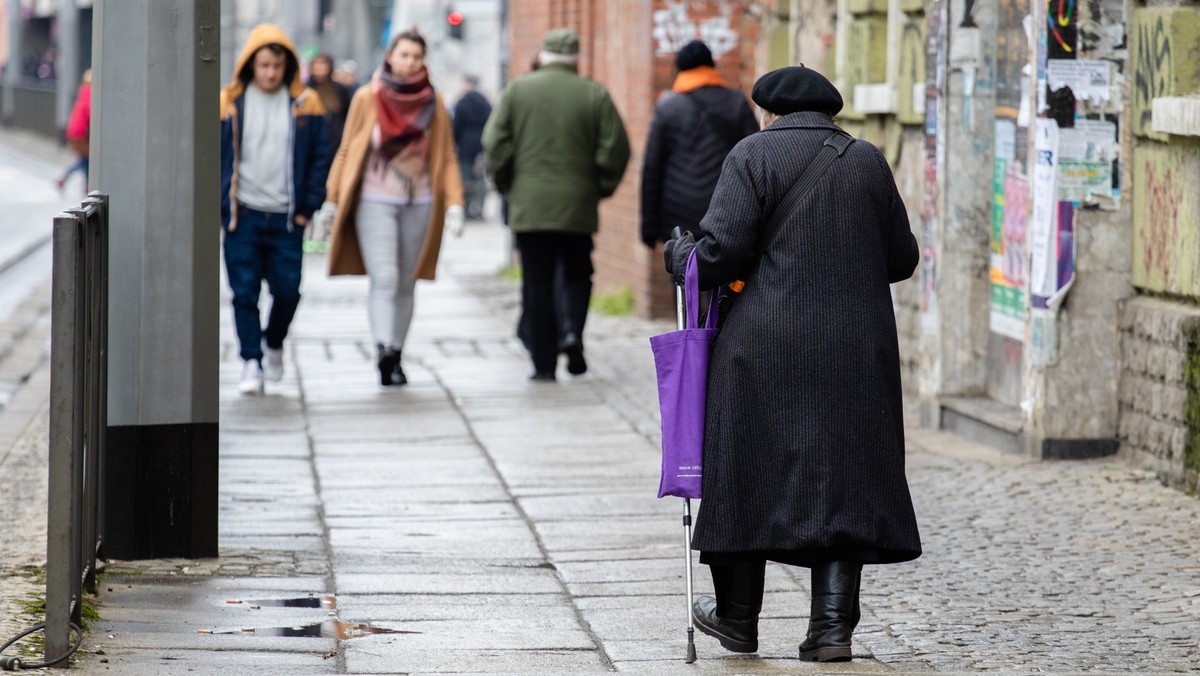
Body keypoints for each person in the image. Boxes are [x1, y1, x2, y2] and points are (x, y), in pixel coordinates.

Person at [662, 66, 921, 662]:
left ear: (767, 111)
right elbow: (902, 257)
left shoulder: (751, 155)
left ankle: (737, 619)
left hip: (762, 345)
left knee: (746, 469)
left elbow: (722, 252)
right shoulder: (866, 160)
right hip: (855, 348)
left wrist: (683, 255)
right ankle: (831, 631)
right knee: (844, 477)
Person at [482, 28, 630, 381]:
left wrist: (508, 183)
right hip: (577, 204)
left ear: (544, 55)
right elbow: (616, 150)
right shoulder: (594, 94)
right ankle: (572, 333)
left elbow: (494, 142)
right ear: (575, 58)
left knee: (536, 281)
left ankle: (543, 363)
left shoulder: (517, 90)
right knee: (578, 273)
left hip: (529, 205)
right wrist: (598, 188)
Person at [322, 29, 465, 386]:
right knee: (384, 278)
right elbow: (346, 149)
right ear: (391, 57)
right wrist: (332, 199)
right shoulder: (367, 98)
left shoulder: (435, 103)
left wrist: (455, 204)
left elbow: (446, 156)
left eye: (417, 56)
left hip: (420, 201)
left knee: (405, 282)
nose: (410, 62)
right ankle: (383, 349)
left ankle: (397, 351)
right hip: (375, 200)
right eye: (404, 55)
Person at [220, 24, 332, 395]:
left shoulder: (306, 103)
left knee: (288, 291)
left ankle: (273, 342)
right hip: (243, 215)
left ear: (288, 67)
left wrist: (307, 208)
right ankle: (251, 360)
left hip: (287, 217)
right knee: (244, 293)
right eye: (264, 65)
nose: (270, 73)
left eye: (277, 66)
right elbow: (213, 158)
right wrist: (222, 206)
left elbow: (320, 158)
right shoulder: (228, 103)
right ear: (251, 64)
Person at [640, 41, 757, 248]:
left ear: (679, 69)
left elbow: (653, 169)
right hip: (725, 213)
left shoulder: (668, 108)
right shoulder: (736, 103)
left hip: (678, 217)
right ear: (711, 65)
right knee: (724, 277)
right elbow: (756, 159)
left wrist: (649, 227)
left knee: (683, 276)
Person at [451, 75, 492, 220]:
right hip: (482, 145)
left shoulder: (462, 102)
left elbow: (456, 126)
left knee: (466, 178)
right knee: (480, 179)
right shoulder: (485, 102)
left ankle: (468, 209)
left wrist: (454, 143)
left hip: (465, 146)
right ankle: (479, 209)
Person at [306, 53, 353, 154]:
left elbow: (347, 114)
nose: (320, 69)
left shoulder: (340, 89)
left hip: (336, 140)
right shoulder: (307, 91)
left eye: (323, 65)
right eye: (317, 65)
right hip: (312, 141)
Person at [58, 69, 92, 192]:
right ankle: (85, 185)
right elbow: (90, 111)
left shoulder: (83, 91)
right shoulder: (90, 92)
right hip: (81, 132)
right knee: (85, 159)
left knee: (84, 159)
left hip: (74, 130)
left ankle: (84, 184)